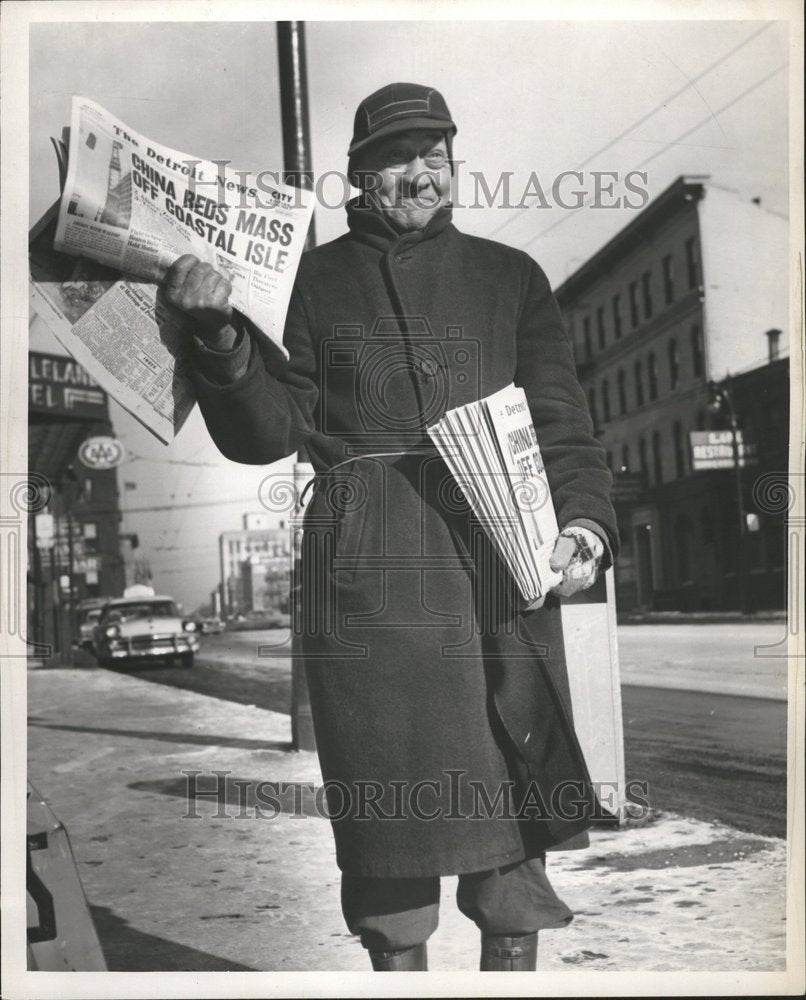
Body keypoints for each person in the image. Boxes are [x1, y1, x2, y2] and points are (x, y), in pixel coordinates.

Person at [164, 82, 618, 972]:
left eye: (437, 154)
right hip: (368, 579)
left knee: (511, 817)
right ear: (358, 177)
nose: (423, 172)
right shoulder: (308, 283)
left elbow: (564, 423)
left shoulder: (509, 277)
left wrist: (586, 527)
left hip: (500, 568)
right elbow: (264, 434)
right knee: (389, 828)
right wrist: (219, 338)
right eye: (400, 157)